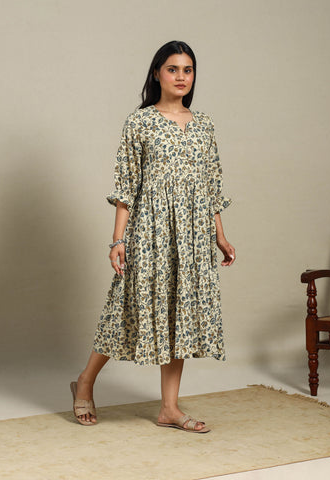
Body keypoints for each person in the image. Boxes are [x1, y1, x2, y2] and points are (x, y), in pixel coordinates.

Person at [70, 40, 235, 433]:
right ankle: (85, 382)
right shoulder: (140, 122)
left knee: (180, 314)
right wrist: (118, 240)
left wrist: (220, 235)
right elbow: (126, 185)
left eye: (188, 70)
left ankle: (169, 409)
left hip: (193, 234)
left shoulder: (204, 124)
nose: (181, 77)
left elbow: (211, 184)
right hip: (151, 230)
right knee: (124, 309)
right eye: (173, 69)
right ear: (157, 73)